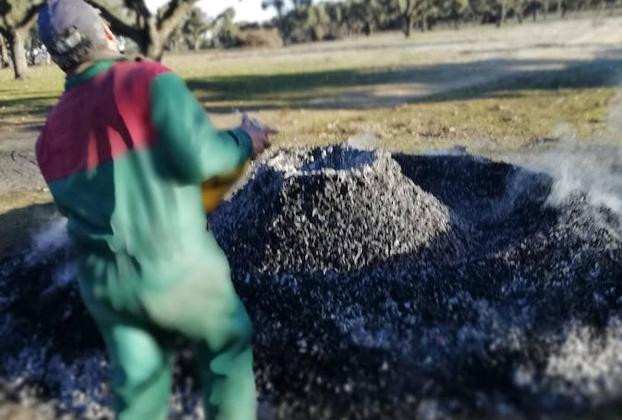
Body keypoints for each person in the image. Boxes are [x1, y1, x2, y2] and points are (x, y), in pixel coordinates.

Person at [36, 0, 275, 419]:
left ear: (57, 58)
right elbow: (203, 160)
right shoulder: (146, 81)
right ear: (108, 33)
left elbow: (73, 204)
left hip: (108, 287)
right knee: (227, 351)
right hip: (179, 272)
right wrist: (245, 139)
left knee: (139, 393)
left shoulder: (49, 135)